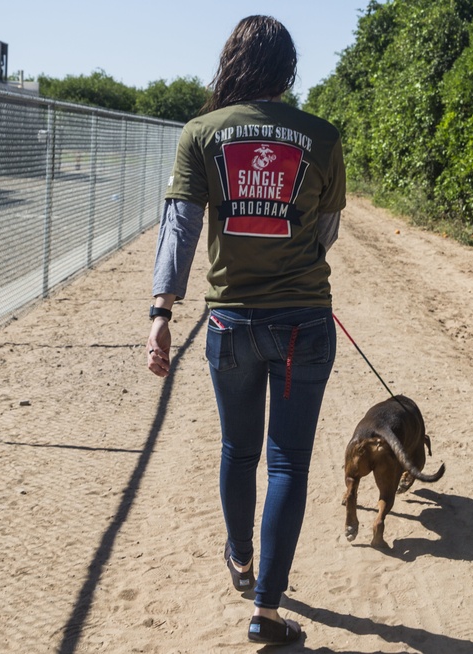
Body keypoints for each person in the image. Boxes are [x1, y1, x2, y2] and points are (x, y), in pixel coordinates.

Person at [145, 15, 346, 646]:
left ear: (232, 60)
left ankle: (239, 555)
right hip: (304, 324)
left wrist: (161, 312)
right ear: (289, 70)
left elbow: (179, 229)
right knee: (288, 463)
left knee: (239, 450)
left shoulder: (200, 134)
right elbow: (325, 232)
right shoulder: (321, 136)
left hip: (229, 323)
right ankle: (266, 608)